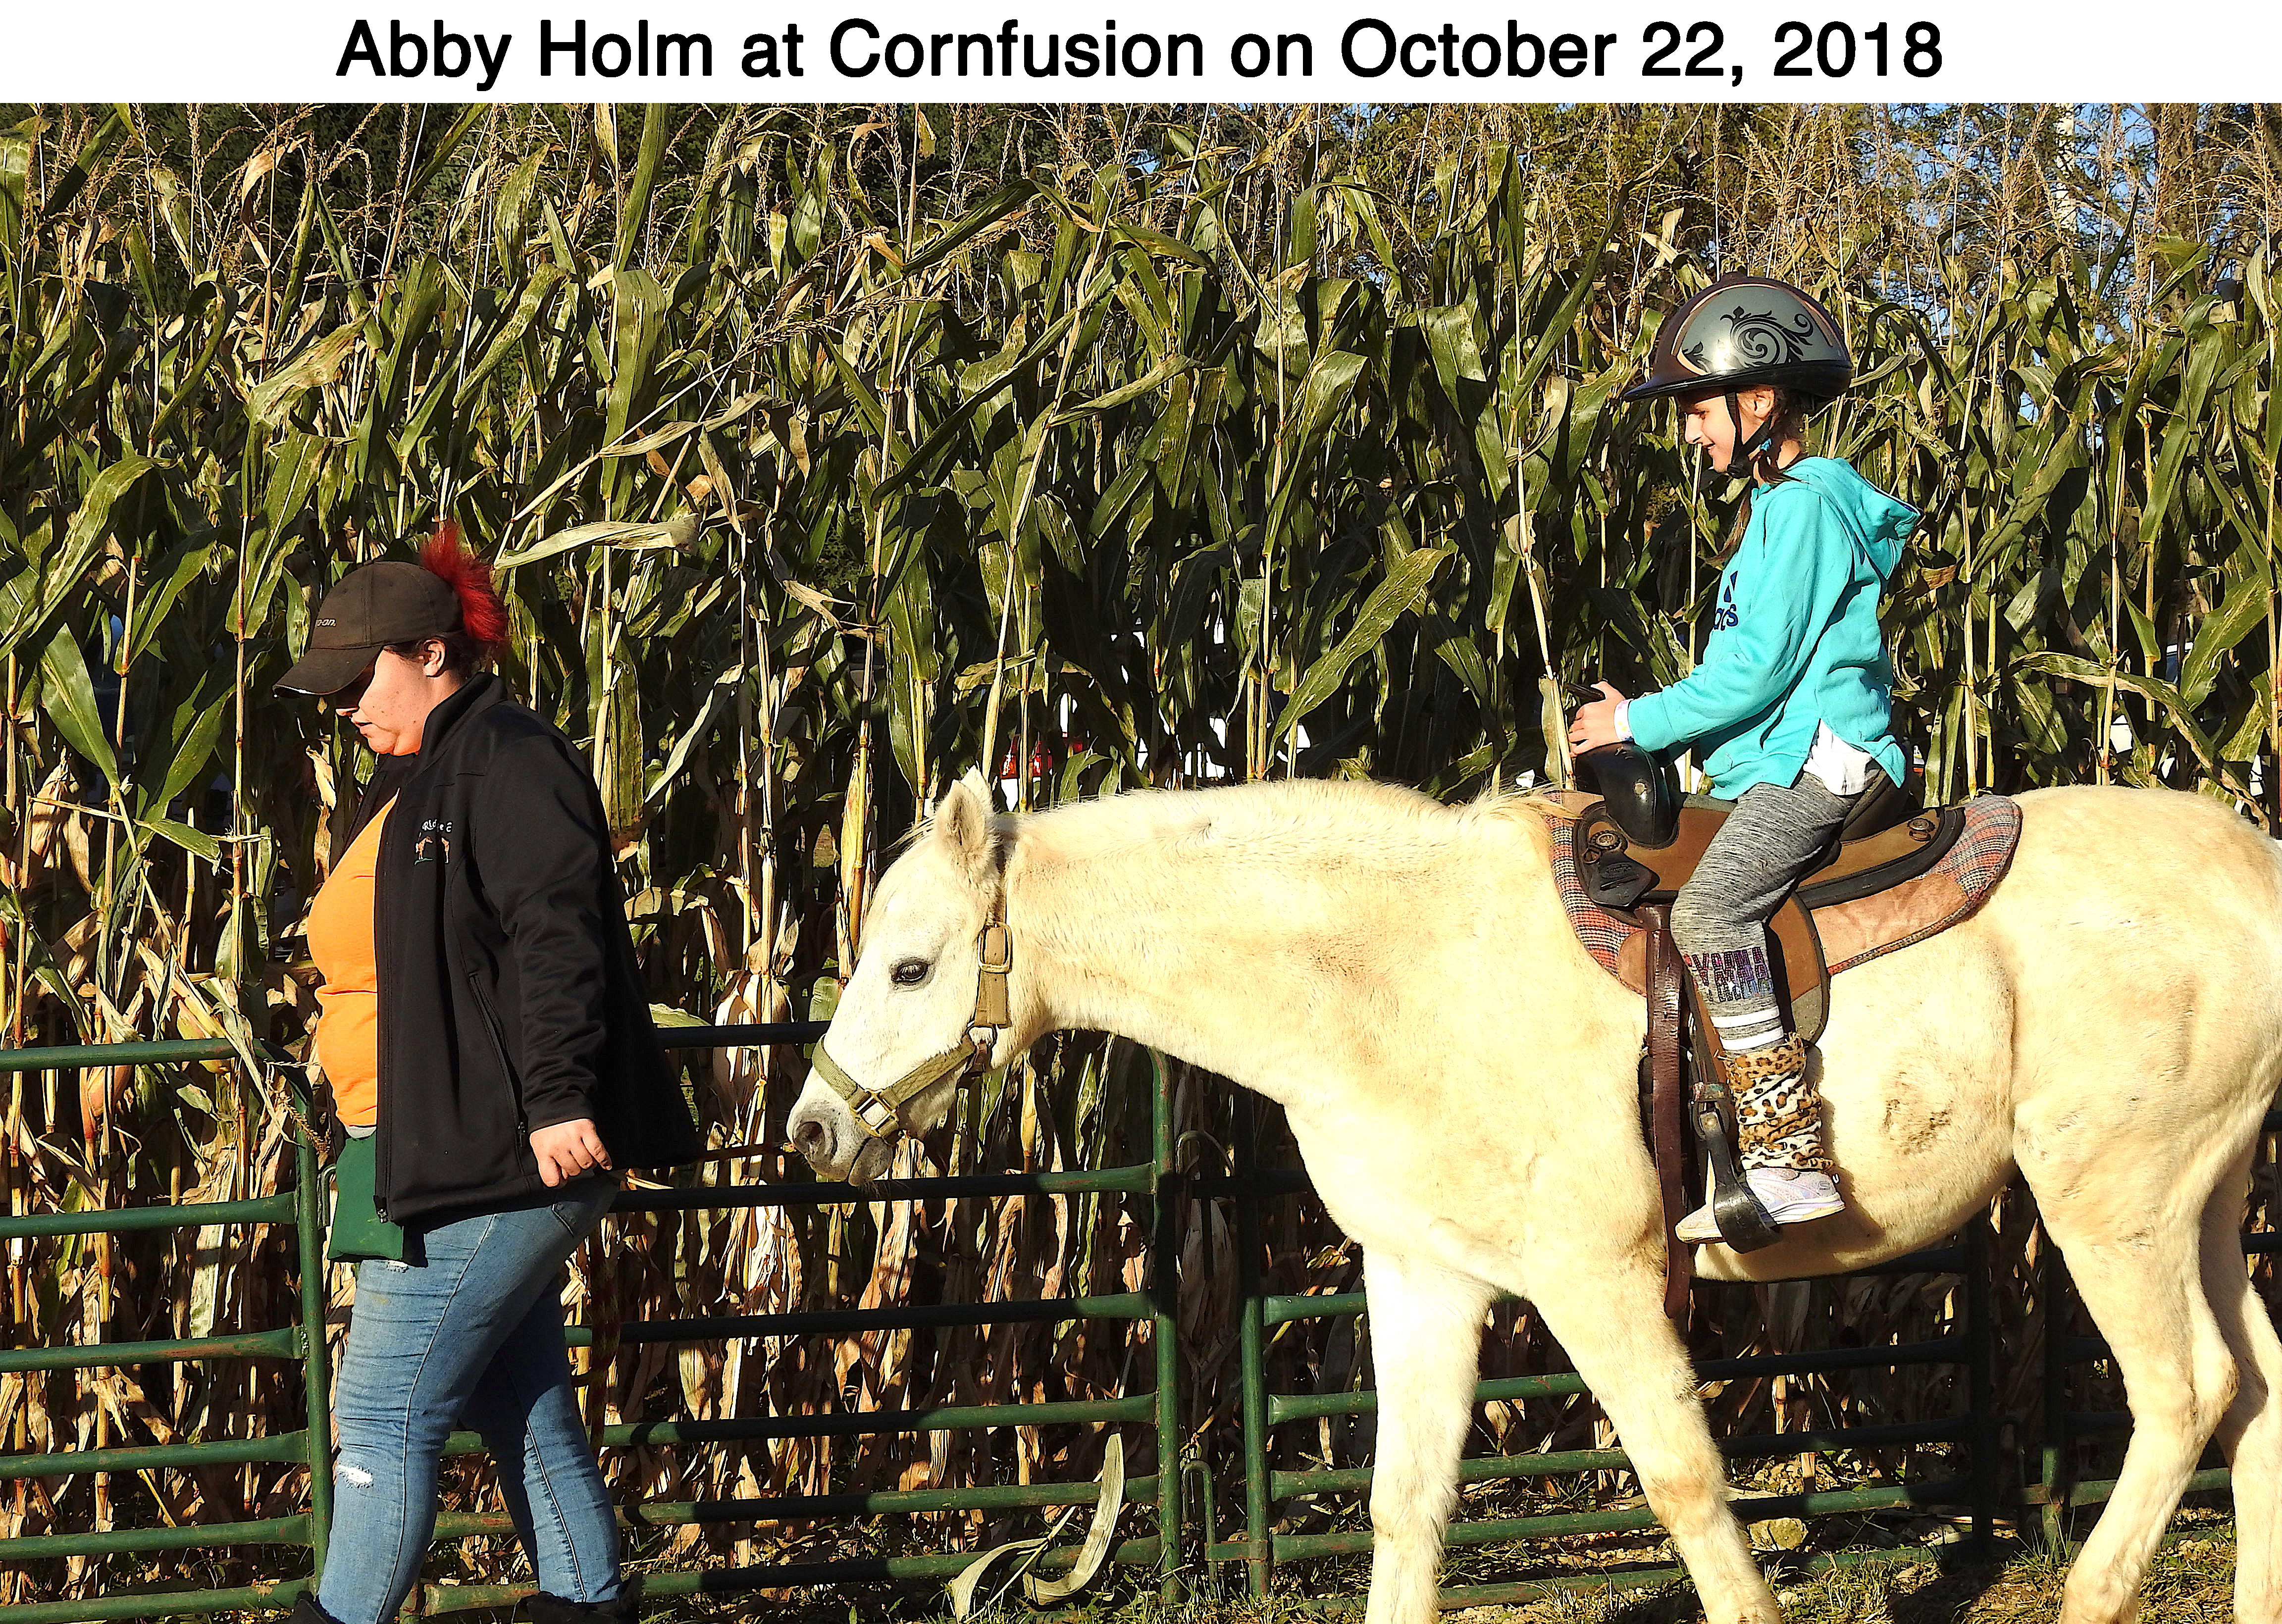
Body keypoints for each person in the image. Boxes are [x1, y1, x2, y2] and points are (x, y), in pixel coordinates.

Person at [277, 526, 701, 1624]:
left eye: (357, 680)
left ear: (428, 651)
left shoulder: (505, 758)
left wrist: (560, 1097)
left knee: (378, 1414)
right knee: (526, 1404)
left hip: (505, 1158)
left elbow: (558, 935)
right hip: (449, 1152)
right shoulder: (422, 776)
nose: (344, 708)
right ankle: (588, 1603)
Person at [1567, 275, 1919, 1243]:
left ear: (1758, 401)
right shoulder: (1777, 513)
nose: (1689, 433)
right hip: (1773, 761)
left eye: (1697, 408)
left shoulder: (1803, 508)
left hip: (1822, 762)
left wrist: (1636, 720)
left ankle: (1790, 1157)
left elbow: (1756, 674)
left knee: (1718, 909)